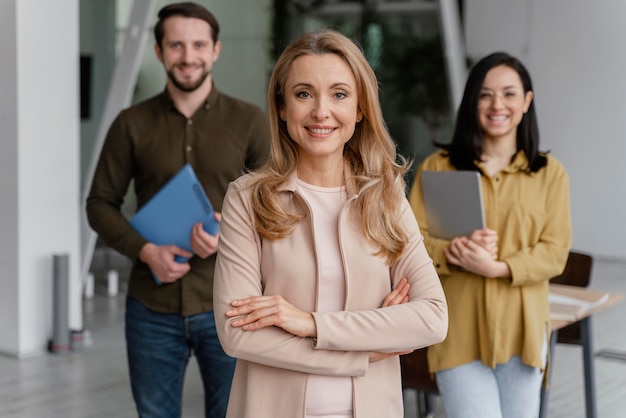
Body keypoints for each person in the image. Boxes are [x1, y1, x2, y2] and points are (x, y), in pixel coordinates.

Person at [212, 29, 448, 418]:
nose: (321, 111)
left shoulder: (386, 197)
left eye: (339, 94)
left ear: (359, 108)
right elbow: (237, 334)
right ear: (282, 107)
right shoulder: (247, 199)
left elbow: (432, 317)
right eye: (304, 93)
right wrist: (367, 347)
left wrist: (309, 324)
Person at [85, 2, 270, 417]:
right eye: (177, 45)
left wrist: (235, 235)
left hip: (231, 305)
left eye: (199, 45)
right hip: (151, 307)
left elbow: (277, 209)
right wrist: (147, 251)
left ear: (216, 50)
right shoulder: (130, 124)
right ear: (159, 51)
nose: (189, 56)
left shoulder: (251, 122)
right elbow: (99, 204)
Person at [407, 52, 572, 418]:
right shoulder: (439, 168)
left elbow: (555, 250)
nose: (497, 104)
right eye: (485, 94)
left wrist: (498, 267)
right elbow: (409, 242)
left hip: (522, 334)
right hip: (458, 334)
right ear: (471, 102)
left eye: (509, 94)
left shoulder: (550, 173)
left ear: (526, 101)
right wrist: (453, 252)